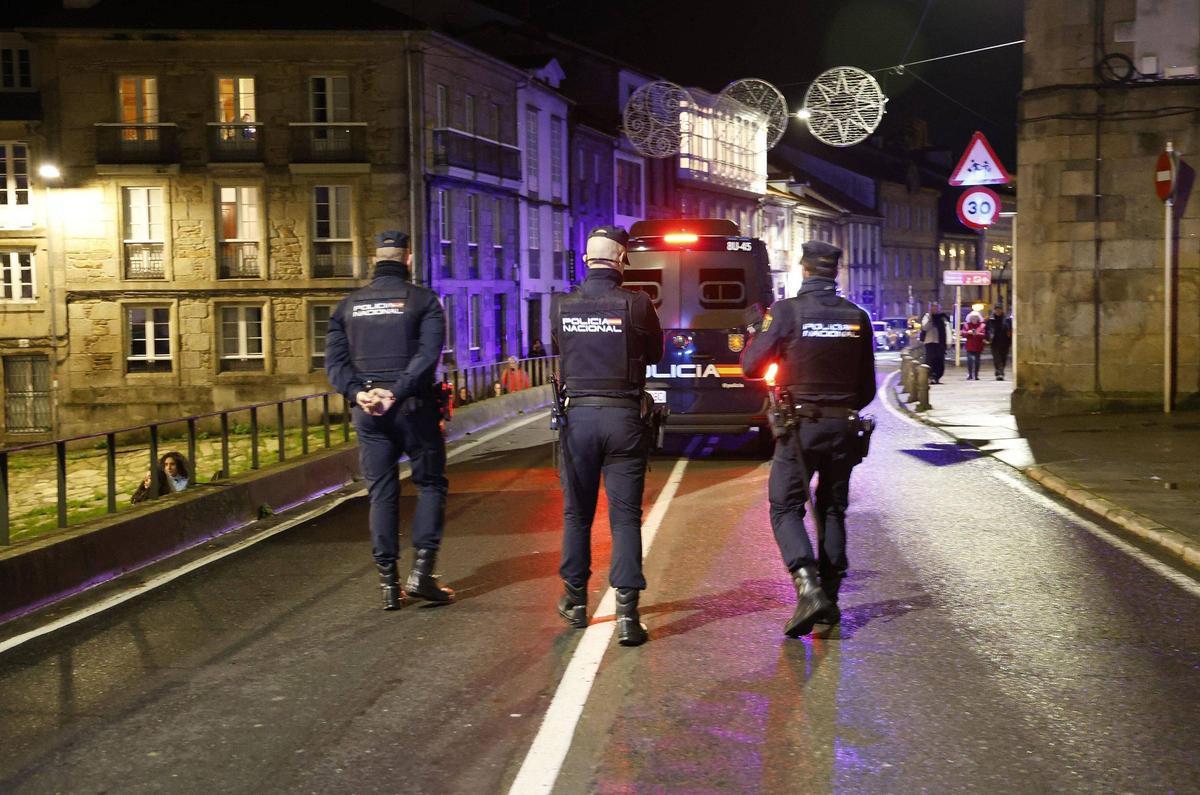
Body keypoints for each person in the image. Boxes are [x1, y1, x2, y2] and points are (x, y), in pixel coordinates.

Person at [742, 240, 876, 638]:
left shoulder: (787, 312)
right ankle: (829, 599)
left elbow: (751, 366)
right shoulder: (857, 316)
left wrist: (756, 333)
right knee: (833, 508)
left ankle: (808, 585)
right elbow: (866, 387)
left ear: (803, 270)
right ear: (834, 272)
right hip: (844, 428)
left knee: (784, 506)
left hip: (799, 428)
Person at [325, 230, 452, 611]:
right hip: (413, 408)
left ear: (374, 260)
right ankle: (422, 573)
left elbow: (334, 363)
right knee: (430, 485)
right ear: (408, 259)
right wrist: (396, 391)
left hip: (368, 413)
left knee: (381, 493)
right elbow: (428, 356)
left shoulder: (347, 307)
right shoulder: (424, 301)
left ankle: (388, 584)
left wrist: (358, 393)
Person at [550, 225, 663, 646]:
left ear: (586, 260)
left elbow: (560, 347)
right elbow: (655, 353)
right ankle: (628, 616)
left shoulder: (561, 305)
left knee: (577, 514)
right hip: (623, 419)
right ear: (621, 261)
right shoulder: (637, 304)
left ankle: (575, 601)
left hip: (577, 419)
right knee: (624, 517)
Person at [919, 301, 951, 384]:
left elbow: (947, 330)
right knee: (930, 361)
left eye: (937, 308)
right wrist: (931, 318)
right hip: (930, 342)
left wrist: (948, 341)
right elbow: (925, 328)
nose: (935, 309)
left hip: (940, 343)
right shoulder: (927, 316)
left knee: (940, 361)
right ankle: (931, 377)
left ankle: (937, 377)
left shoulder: (942, 317)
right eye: (933, 307)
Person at [986, 304, 1013, 380]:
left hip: (1005, 341)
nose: (998, 311)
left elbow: (1010, 330)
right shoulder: (990, 320)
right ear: (994, 310)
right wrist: (987, 338)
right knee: (996, 357)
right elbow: (987, 330)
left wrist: (1011, 339)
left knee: (1003, 357)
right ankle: (1000, 372)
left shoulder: (1007, 319)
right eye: (996, 309)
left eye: (999, 309)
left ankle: (1000, 371)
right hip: (994, 341)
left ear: (1002, 310)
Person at [962, 310, 986, 380]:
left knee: (977, 361)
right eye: (972, 318)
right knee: (970, 360)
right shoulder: (966, 325)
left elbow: (984, 334)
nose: (974, 319)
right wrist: (968, 332)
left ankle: (976, 375)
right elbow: (963, 333)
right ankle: (970, 374)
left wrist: (977, 333)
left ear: (978, 318)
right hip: (969, 346)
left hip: (978, 346)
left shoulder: (982, 325)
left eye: (975, 317)